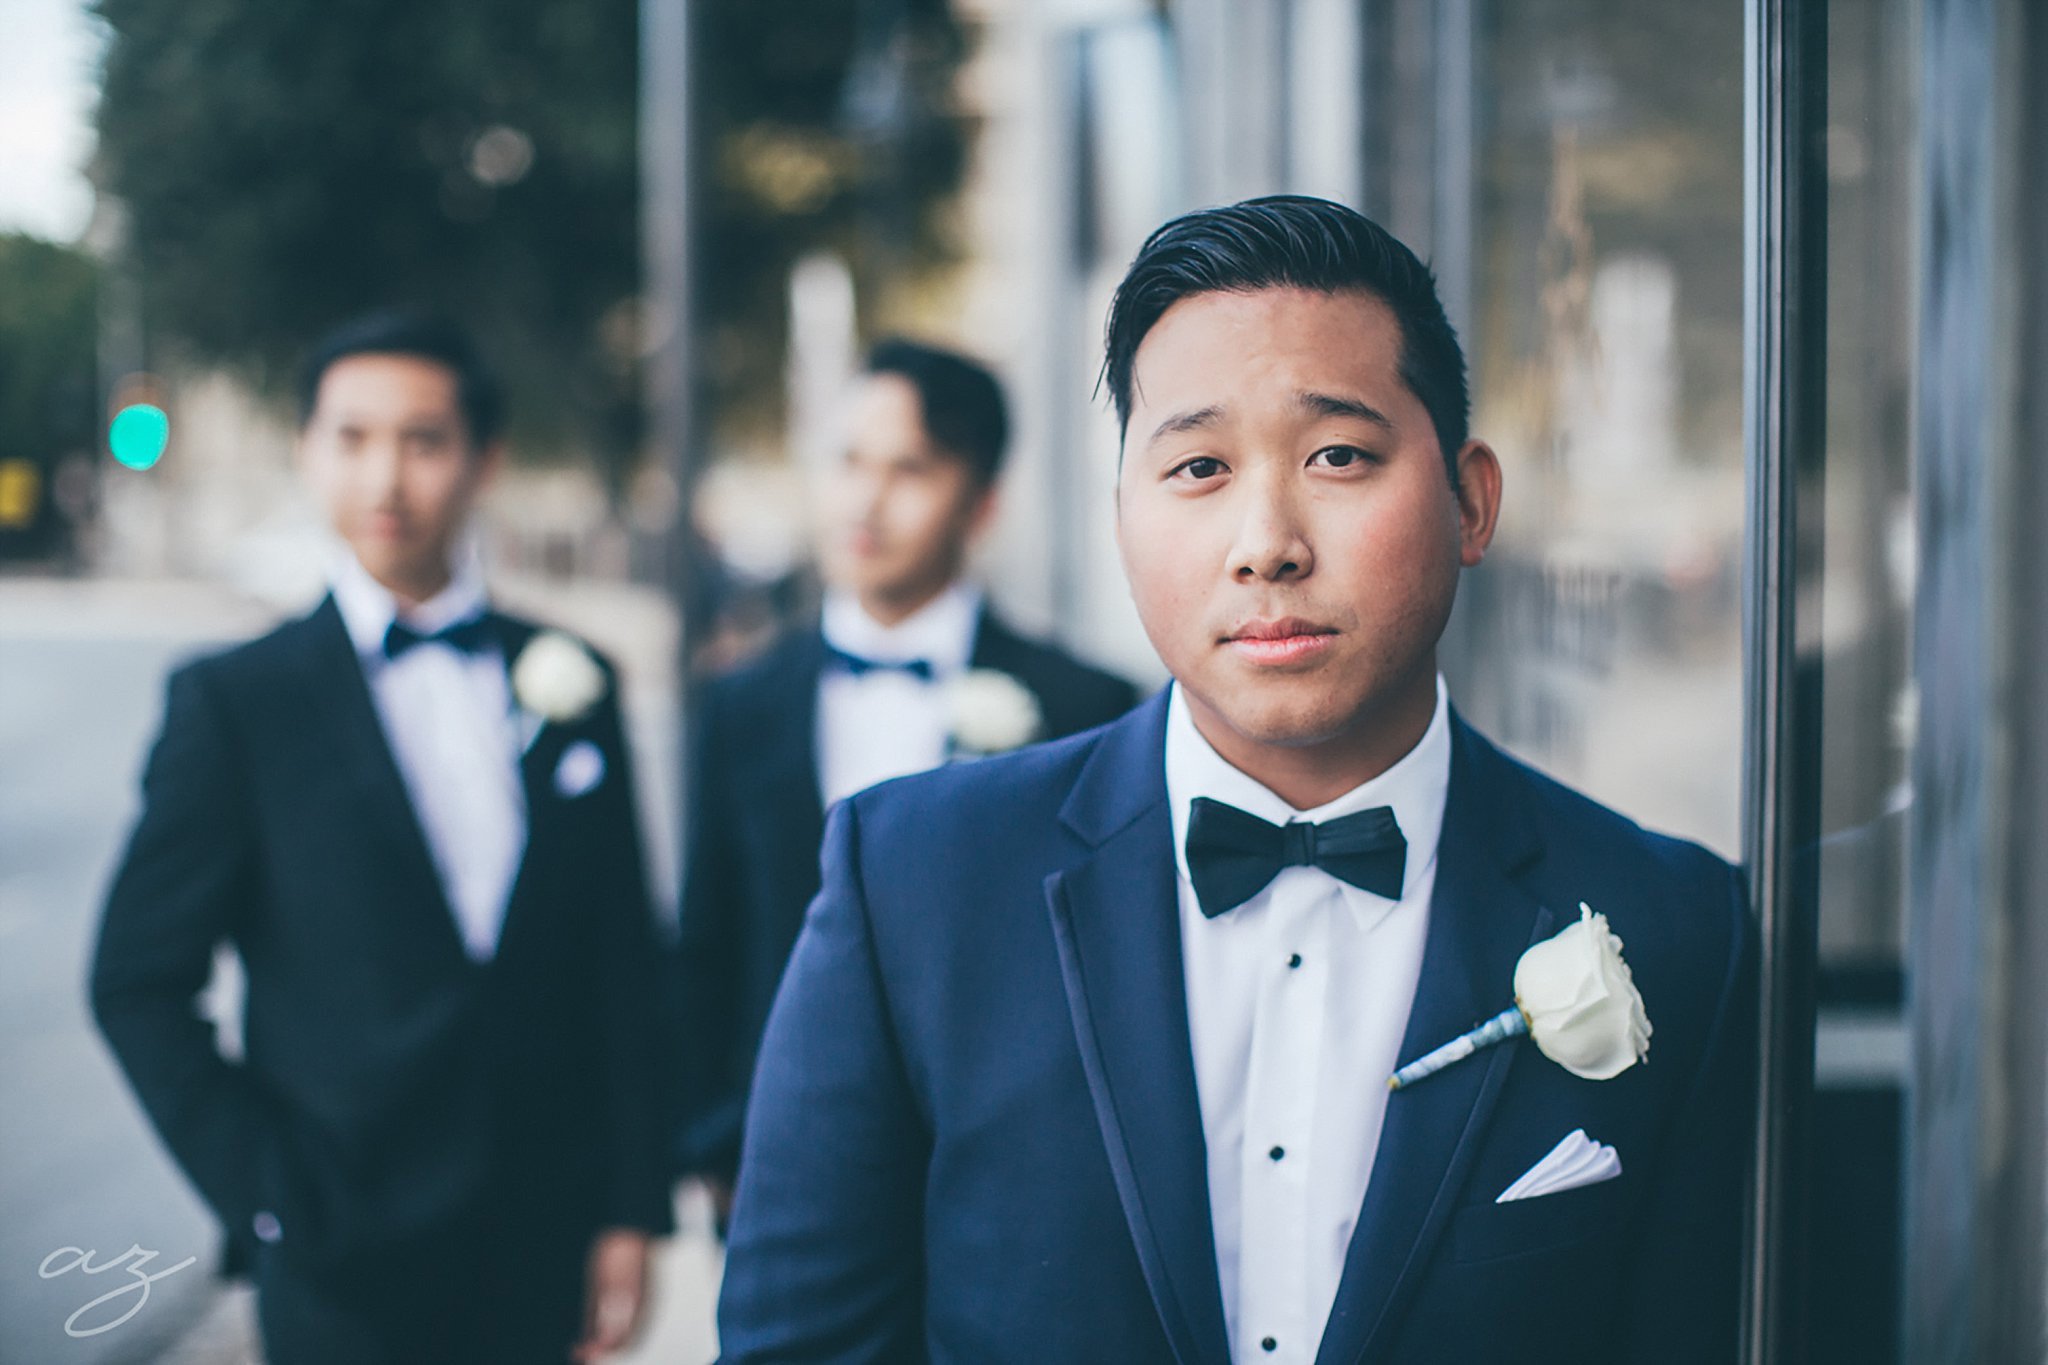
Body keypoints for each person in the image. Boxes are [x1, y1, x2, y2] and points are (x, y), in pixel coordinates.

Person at [715, 198, 1758, 1365]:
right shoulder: (908, 882)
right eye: (1199, 465)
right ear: (1123, 519)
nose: (1266, 540)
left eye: (1337, 457)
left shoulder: (1675, 926)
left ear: (1468, 500)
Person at [90, 311, 673, 1365]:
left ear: (484, 459)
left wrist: (631, 1210)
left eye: (423, 439)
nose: (385, 477)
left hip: (542, 1238)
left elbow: (621, 960)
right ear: (309, 453)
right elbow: (135, 979)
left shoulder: (573, 677)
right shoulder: (236, 702)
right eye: (351, 439)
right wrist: (266, 1199)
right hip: (338, 1254)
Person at [671, 338, 1139, 1208]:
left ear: (983, 502)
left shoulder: (1087, 705)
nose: (866, 501)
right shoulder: (741, 703)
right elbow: (708, 940)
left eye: (910, 469)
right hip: (781, 1165)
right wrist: (716, 1139)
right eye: (848, 462)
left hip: (1020, 1180)